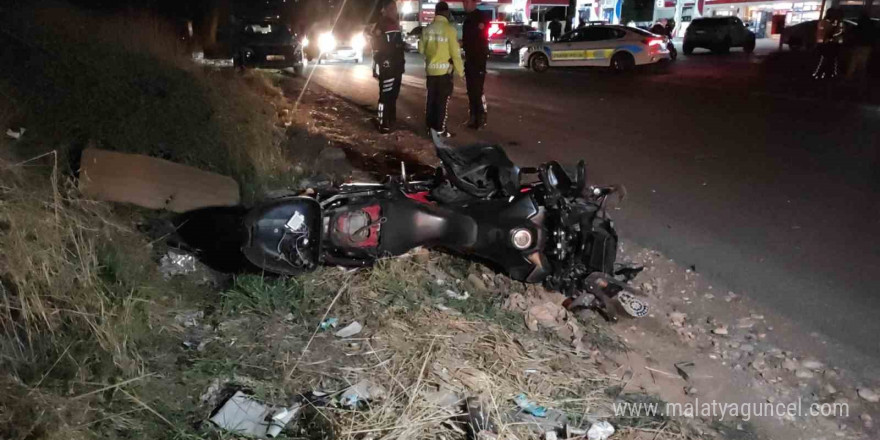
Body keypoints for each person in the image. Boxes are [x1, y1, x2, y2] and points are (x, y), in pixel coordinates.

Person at [419, 1, 464, 137]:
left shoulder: (427, 29)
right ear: (446, 12)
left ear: (436, 12)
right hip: (444, 72)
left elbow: (421, 50)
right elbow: (455, 54)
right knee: (442, 101)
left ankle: (429, 128)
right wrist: (461, 72)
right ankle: (439, 130)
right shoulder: (450, 30)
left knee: (431, 99)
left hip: (431, 71)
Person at [372, 0, 406, 134]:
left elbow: (398, 46)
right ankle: (383, 123)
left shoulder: (394, 24)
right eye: (391, 8)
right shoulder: (382, 24)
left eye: (395, 8)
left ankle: (391, 121)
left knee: (393, 95)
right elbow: (378, 49)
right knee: (386, 95)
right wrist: (382, 65)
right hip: (388, 66)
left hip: (397, 66)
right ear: (384, 10)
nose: (394, 11)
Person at [462, 0, 489, 129]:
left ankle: (481, 117)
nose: (465, 5)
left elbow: (481, 38)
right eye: (463, 2)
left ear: (473, 3)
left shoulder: (480, 17)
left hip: (478, 60)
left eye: (467, 2)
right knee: (471, 90)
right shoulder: (467, 19)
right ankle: (472, 117)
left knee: (477, 90)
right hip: (470, 60)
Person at [813, 7, 845, 80]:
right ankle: (822, 74)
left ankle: (823, 74)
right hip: (828, 43)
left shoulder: (825, 22)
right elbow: (836, 32)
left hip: (826, 43)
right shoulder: (829, 23)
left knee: (828, 59)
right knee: (828, 59)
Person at [845, 13, 875, 85]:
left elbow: (851, 37)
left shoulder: (857, 28)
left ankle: (849, 78)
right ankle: (861, 79)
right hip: (867, 47)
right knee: (862, 63)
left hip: (858, 47)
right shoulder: (871, 29)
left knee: (854, 63)